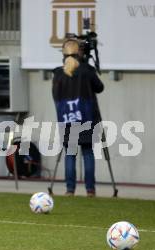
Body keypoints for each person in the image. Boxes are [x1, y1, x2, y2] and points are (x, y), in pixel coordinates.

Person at [52, 39, 104, 197]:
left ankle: (70, 190)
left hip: (68, 118)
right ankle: (90, 190)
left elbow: (55, 96)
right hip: (87, 118)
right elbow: (99, 87)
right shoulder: (87, 70)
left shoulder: (58, 73)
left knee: (70, 153)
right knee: (88, 152)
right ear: (80, 52)